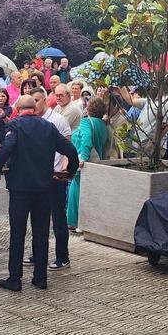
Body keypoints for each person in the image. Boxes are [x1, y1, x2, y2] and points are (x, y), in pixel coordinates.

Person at [0, 95, 79, 291]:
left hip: (20, 189)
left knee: (18, 233)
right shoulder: (48, 127)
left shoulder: (15, 126)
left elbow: (6, 149)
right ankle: (40, 277)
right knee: (41, 234)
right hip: (43, 189)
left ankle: (15, 278)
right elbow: (71, 150)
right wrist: (69, 172)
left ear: (19, 109)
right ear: (35, 109)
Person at [31, 89, 74, 270]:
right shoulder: (32, 121)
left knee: (58, 218)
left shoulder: (57, 120)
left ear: (45, 101)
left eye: (37, 100)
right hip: (37, 176)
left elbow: (68, 147)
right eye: (32, 101)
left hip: (55, 175)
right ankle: (37, 254)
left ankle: (62, 257)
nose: (34, 104)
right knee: (37, 218)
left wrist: (64, 169)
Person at [68, 97, 110, 233]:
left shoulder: (86, 122)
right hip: (98, 163)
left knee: (77, 191)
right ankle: (86, 223)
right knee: (90, 194)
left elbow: (86, 139)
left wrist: (83, 158)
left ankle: (75, 222)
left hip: (84, 163)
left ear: (89, 109)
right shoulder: (104, 125)